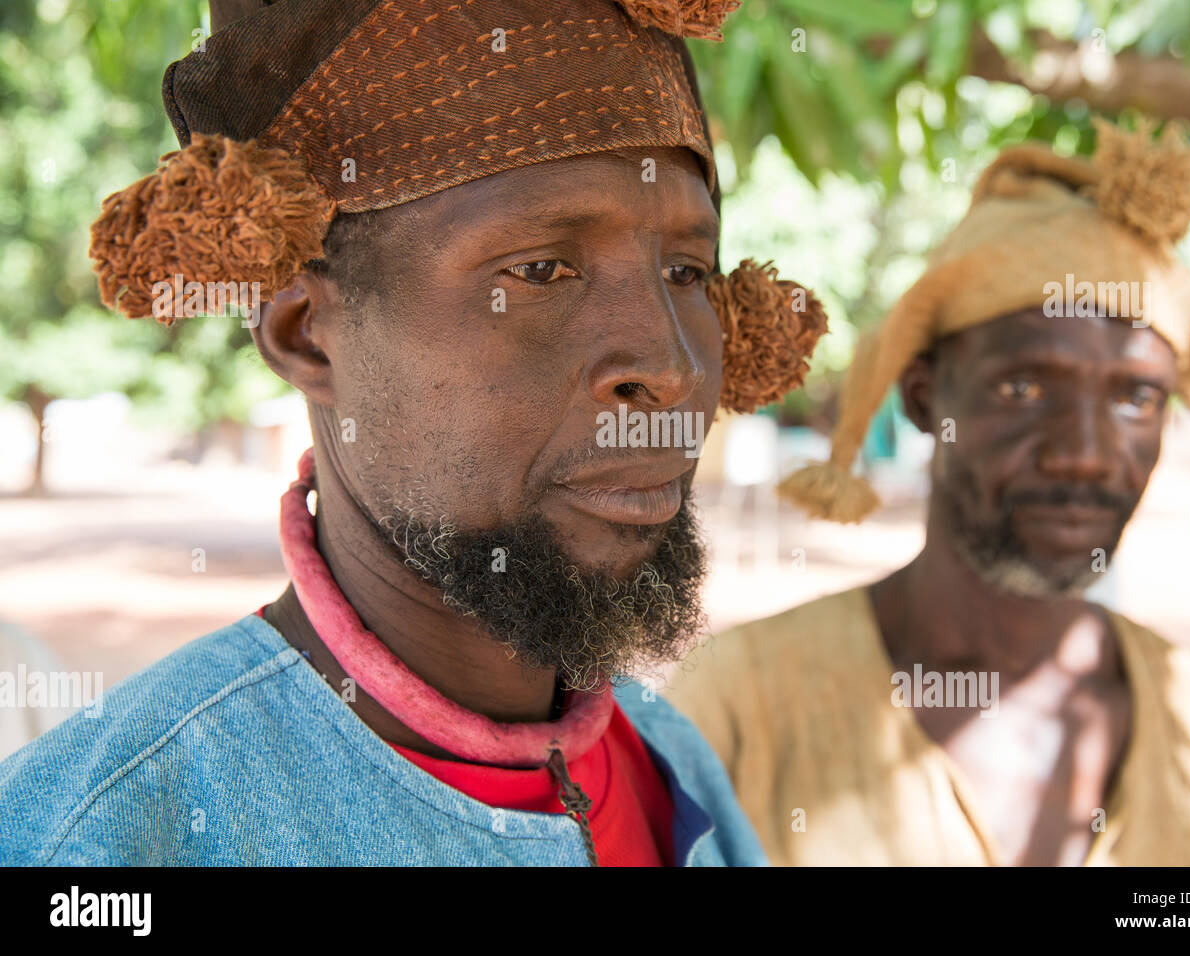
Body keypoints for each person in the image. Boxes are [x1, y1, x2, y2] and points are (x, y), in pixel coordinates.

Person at [0, 0, 829, 866]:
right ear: (304, 334)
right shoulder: (101, 837)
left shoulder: (668, 761)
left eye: (686, 270)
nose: (671, 366)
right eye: (541, 269)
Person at [666, 121, 1190, 866]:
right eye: (1025, 386)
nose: (1086, 455)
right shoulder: (739, 706)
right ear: (926, 398)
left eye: (1136, 398)